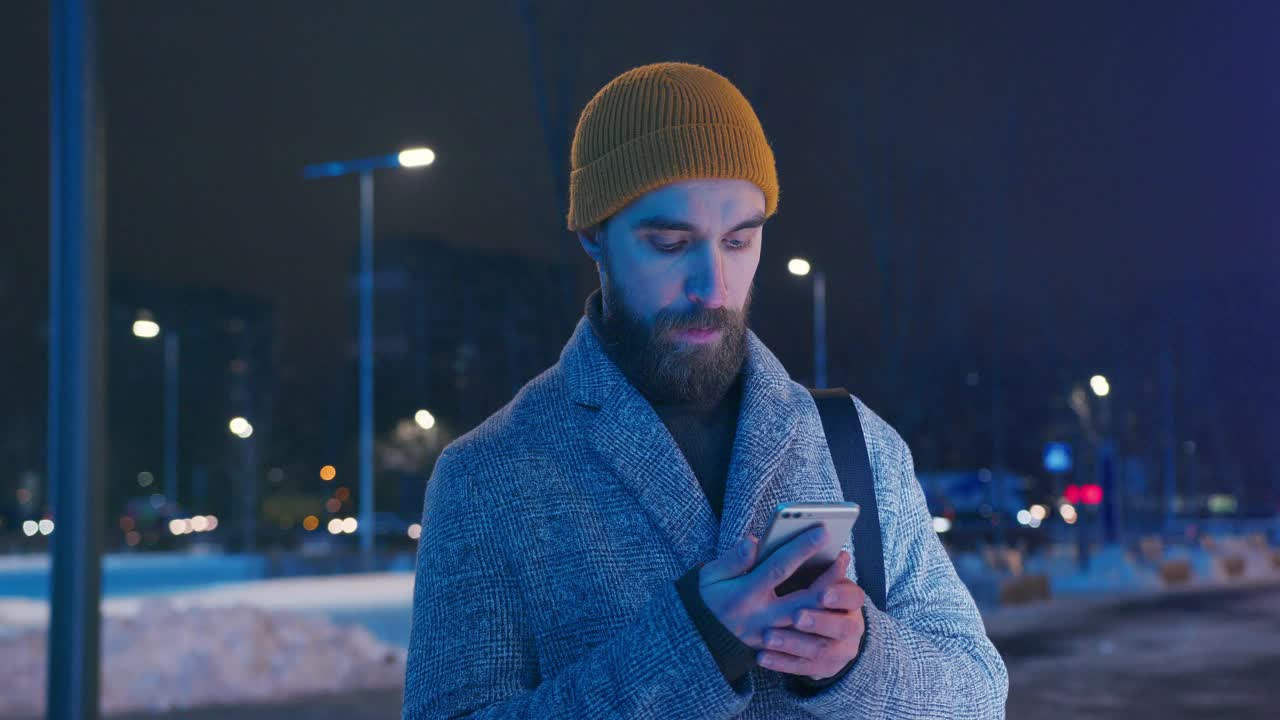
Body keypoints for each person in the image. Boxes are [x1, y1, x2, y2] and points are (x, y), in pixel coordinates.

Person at [402, 61, 1008, 719]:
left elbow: (979, 694)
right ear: (593, 238)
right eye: (669, 243)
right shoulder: (487, 477)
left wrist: (858, 661)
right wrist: (690, 650)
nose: (714, 287)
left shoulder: (855, 444)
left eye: (740, 240)